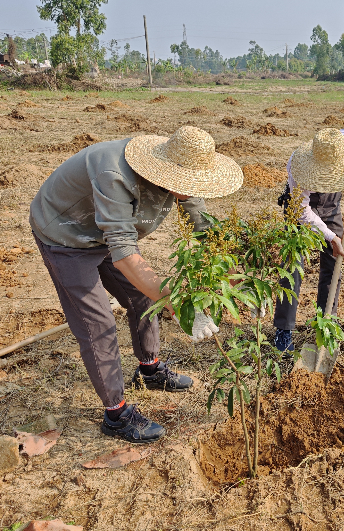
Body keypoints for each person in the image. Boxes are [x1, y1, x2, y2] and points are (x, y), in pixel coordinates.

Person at [30, 126, 243, 443]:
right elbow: (125, 254)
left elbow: (200, 223)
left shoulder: (179, 170)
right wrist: (181, 305)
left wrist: (229, 260)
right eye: (189, 184)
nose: (192, 190)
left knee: (144, 299)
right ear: (167, 172)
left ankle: (150, 368)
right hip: (66, 236)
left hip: (106, 235)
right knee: (98, 324)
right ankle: (116, 415)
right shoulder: (114, 173)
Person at [272, 116, 344, 351]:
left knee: (334, 263)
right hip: (303, 208)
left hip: (332, 206)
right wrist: (331, 237)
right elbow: (302, 212)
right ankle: (283, 330)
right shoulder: (298, 166)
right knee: (293, 267)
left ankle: (325, 326)